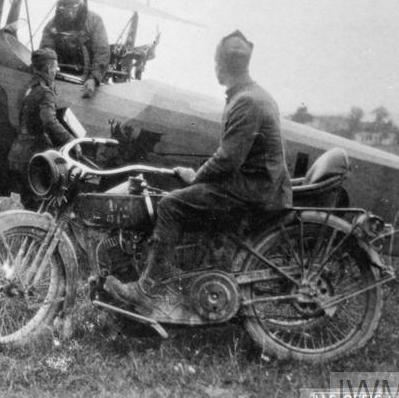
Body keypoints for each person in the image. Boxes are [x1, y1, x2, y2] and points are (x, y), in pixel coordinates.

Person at [104, 30, 292, 310]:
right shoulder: (253, 95)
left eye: (216, 61)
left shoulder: (246, 101)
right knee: (192, 200)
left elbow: (228, 159)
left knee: (170, 205)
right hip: (259, 185)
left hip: (254, 190)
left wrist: (196, 178)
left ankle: (147, 289)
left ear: (221, 64)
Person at [8, 48, 73, 205]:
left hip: (19, 153)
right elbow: (49, 121)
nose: (56, 72)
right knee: (45, 203)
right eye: (55, 68)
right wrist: (70, 140)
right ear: (48, 68)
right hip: (36, 155)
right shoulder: (45, 92)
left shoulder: (28, 88)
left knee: (30, 204)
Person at [40, 0, 109, 98]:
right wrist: (46, 71)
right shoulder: (52, 26)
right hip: (60, 78)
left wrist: (94, 78)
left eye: (74, 8)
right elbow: (46, 50)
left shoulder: (94, 21)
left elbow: (102, 51)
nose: (70, 13)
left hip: (88, 81)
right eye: (65, 8)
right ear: (60, 7)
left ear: (79, 4)